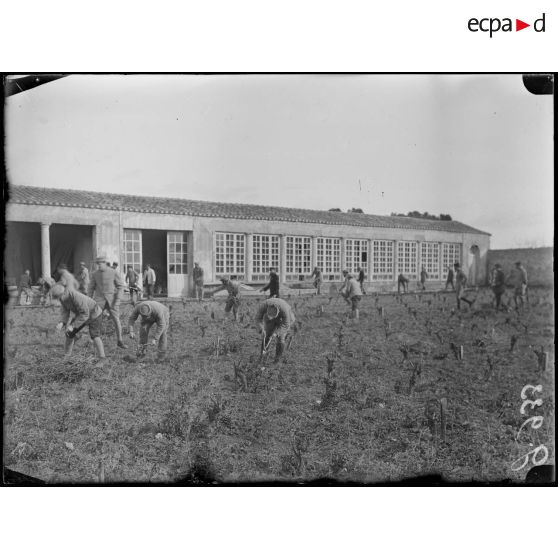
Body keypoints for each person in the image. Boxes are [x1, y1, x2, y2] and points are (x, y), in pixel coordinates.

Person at [51, 283, 106, 364]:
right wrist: (62, 322)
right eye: (57, 298)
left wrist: (73, 326)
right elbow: (65, 312)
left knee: (94, 335)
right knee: (69, 333)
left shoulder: (76, 296)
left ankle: (102, 358)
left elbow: (85, 314)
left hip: (94, 313)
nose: (59, 300)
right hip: (81, 314)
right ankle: (67, 356)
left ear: (64, 293)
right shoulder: (63, 299)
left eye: (59, 297)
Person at [88, 255, 127, 348]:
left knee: (116, 320)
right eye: (97, 264)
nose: (99, 265)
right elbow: (91, 288)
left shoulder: (113, 272)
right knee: (94, 319)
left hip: (112, 301)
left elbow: (121, 286)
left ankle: (120, 340)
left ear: (105, 263)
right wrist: (88, 300)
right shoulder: (95, 274)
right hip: (99, 301)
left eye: (100, 263)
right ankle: (93, 340)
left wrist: (117, 300)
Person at [256, 297, 295, 363]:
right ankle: (263, 357)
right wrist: (261, 329)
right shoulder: (263, 305)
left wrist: (276, 333)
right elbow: (258, 319)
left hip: (284, 320)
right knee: (267, 335)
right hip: (269, 318)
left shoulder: (284, 309)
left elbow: (286, 324)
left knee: (281, 338)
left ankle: (277, 360)